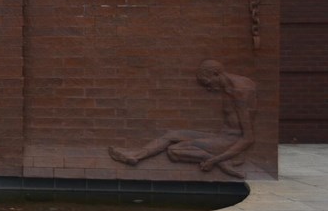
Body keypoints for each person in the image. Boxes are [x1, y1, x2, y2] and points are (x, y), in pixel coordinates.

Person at [109, 60, 257, 178]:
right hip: (222, 138)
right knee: (172, 134)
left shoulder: (240, 92)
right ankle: (136, 155)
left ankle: (220, 161)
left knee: (174, 150)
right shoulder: (234, 86)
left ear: (215, 74)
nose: (209, 88)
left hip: (229, 143)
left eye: (207, 82)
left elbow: (248, 138)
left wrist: (213, 161)